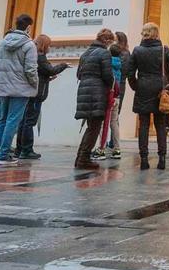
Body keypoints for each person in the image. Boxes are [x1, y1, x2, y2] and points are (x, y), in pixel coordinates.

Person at [0, 14, 38, 167]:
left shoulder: (1, 43)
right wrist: (34, 85)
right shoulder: (29, 45)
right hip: (21, 89)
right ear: (28, 27)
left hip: (3, 88)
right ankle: (4, 155)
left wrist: (0, 82)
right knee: (12, 122)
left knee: (1, 120)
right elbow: (31, 69)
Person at [125, 22, 169, 170]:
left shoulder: (137, 50)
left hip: (143, 87)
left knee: (143, 125)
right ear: (156, 33)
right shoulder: (163, 49)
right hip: (159, 89)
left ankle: (144, 159)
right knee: (160, 124)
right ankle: (162, 158)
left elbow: (129, 72)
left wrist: (135, 86)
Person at [16, 34, 69, 160]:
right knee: (29, 122)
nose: (50, 48)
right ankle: (27, 150)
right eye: (49, 45)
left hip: (28, 92)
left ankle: (19, 149)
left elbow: (41, 74)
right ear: (44, 45)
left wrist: (47, 79)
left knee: (23, 122)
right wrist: (63, 65)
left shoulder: (31, 55)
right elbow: (50, 69)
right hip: (36, 94)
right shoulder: (40, 57)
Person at [73, 28, 115, 170]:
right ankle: (83, 159)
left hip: (84, 90)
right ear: (108, 41)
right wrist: (111, 87)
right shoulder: (104, 53)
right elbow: (108, 76)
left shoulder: (86, 53)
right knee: (95, 127)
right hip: (97, 93)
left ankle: (80, 157)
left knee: (91, 126)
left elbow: (79, 74)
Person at [96, 33, 128, 160]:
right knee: (114, 122)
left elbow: (106, 78)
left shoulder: (107, 64)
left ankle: (101, 148)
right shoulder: (120, 64)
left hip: (108, 95)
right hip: (117, 95)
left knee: (103, 122)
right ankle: (117, 148)